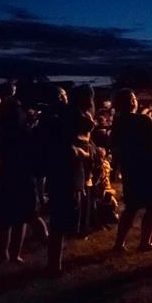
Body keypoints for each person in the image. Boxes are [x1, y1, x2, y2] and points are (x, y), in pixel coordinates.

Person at [110, 89, 152, 253]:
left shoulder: (118, 123)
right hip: (149, 167)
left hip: (130, 168)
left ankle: (119, 244)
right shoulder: (144, 119)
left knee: (131, 207)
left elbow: (114, 146)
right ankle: (145, 243)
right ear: (132, 101)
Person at [0, 91, 48, 262]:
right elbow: (34, 154)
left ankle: (5, 255)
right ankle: (14, 255)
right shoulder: (24, 134)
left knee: (7, 219)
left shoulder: (2, 133)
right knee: (20, 218)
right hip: (22, 177)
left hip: (7, 176)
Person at [46, 85, 96, 274]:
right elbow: (66, 146)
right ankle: (54, 265)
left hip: (71, 171)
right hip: (66, 171)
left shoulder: (72, 115)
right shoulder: (71, 117)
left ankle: (56, 262)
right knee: (60, 219)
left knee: (63, 217)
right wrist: (83, 153)